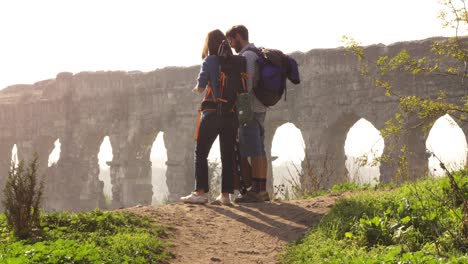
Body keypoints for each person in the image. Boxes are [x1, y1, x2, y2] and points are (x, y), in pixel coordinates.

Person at [180, 29, 238, 205]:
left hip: (212, 112)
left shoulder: (209, 61)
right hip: (231, 113)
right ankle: (226, 196)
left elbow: (200, 86)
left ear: (209, 44)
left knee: (201, 152)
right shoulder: (235, 62)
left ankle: (200, 193)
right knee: (227, 154)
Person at [226, 25, 270, 203]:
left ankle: (257, 191)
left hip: (249, 107)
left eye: (231, 40)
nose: (230, 45)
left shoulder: (247, 56)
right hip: (259, 106)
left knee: (255, 150)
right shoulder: (256, 52)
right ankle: (261, 189)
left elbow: (248, 84)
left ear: (238, 36)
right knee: (259, 148)